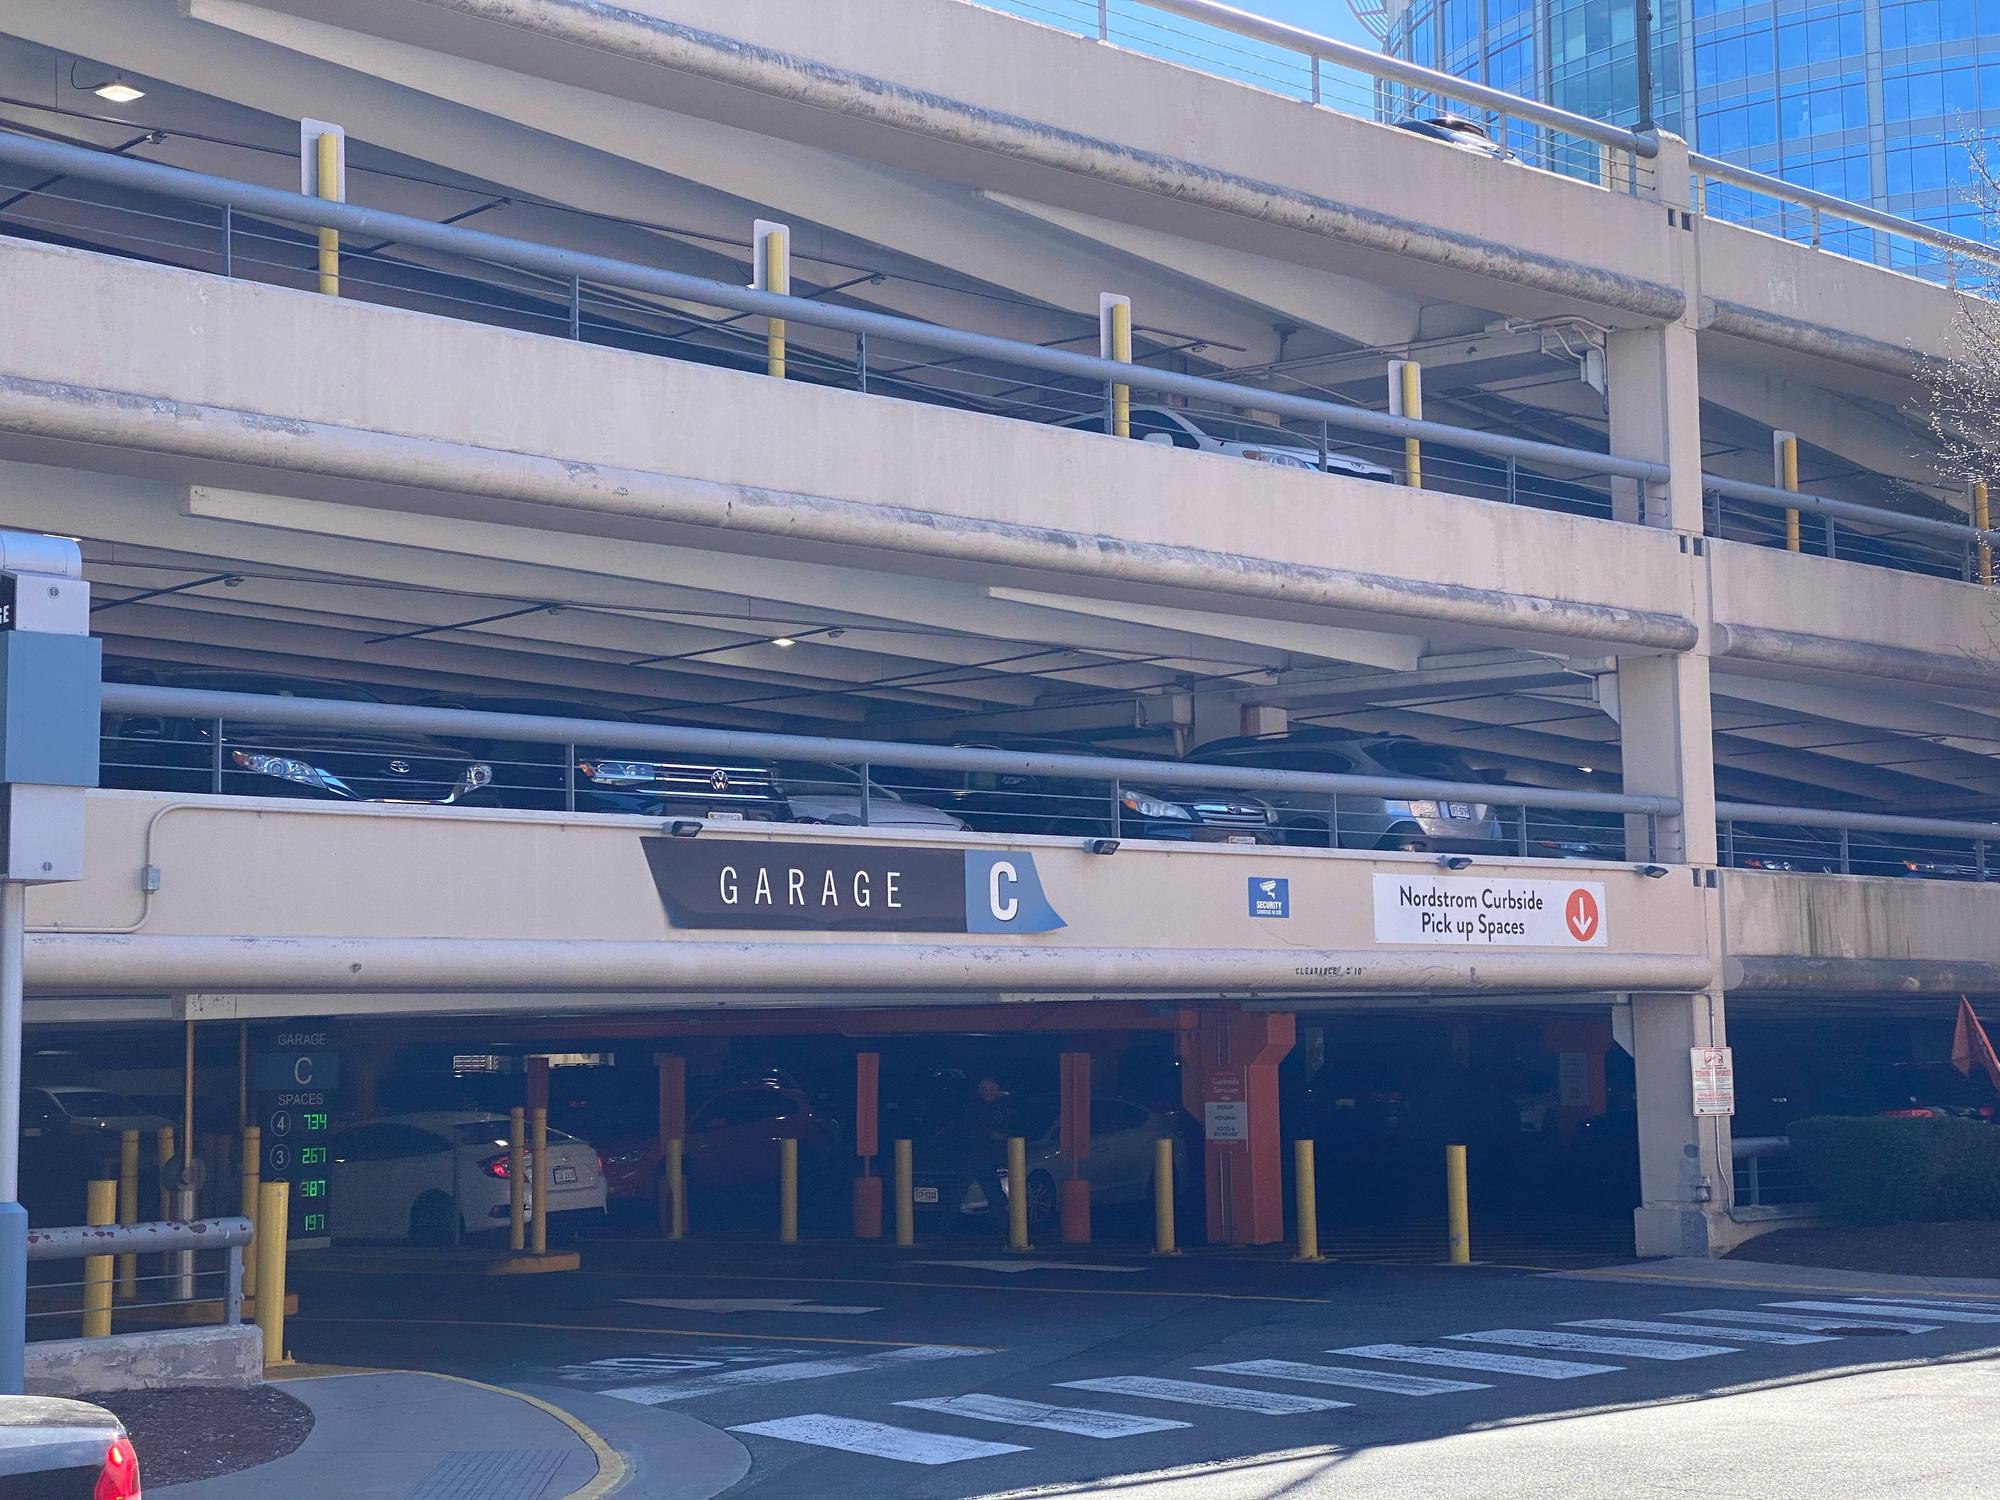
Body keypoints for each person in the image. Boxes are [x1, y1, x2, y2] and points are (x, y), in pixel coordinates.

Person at [940, 1077, 1011, 1222]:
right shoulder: (973, 1107)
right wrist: (991, 1135)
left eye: (991, 1089)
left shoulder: (1002, 1108)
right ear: (979, 1091)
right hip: (972, 1155)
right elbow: (970, 1130)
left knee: (993, 1193)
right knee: (960, 1191)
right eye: (985, 1089)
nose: (988, 1092)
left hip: (988, 1156)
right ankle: (943, 1224)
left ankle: (1002, 1225)